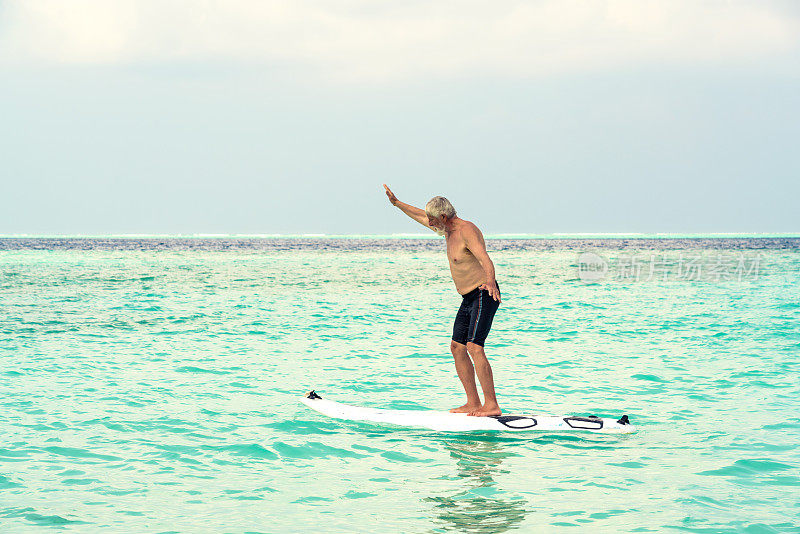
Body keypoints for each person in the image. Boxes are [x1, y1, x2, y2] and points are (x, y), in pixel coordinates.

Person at [383, 184, 502, 417]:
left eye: (432, 220)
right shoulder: (447, 230)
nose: (429, 223)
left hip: (483, 293)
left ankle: (492, 406)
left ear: (444, 217)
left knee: (474, 346)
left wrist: (490, 282)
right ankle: (473, 403)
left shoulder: (467, 231)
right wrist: (397, 204)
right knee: (457, 347)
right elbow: (420, 214)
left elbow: (485, 258)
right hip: (467, 297)